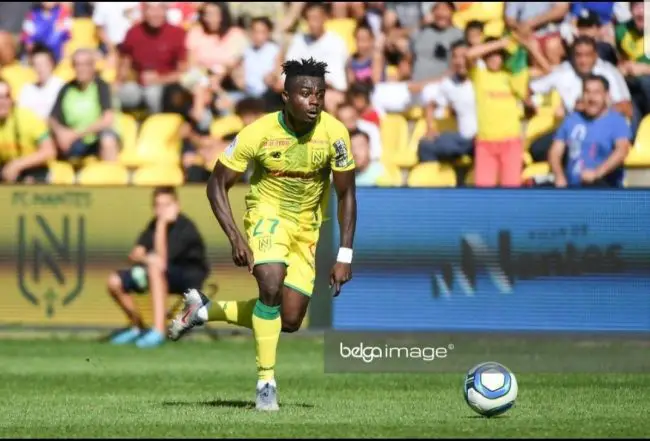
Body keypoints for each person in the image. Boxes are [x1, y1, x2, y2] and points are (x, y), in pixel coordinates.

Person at [168, 58, 357, 411]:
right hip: (267, 216)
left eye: (319, 94)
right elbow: (216, 185)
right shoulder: (257, 132)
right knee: (270, 283)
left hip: (307, 228)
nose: (314, 100)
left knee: (289, 319)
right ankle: (266, 383)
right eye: (305, 93)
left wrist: (344, 254)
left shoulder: (335, 134)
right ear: (286, 96)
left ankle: (205, 311)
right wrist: (236, 237)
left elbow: (347, 194)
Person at [107, 186, 209, 348]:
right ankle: (137, 327)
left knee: (155, 268)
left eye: (166, 205)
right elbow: (135, 254)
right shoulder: (152, 225)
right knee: (114, 280)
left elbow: (161, 261)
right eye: (157, 205)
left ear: (176, 205)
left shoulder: (185, 227)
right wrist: (147, 257)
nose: (161, 210)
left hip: (187, 278)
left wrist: (161, 224)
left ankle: (159, 331)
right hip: (159, 274)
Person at [549, 74, 631, 188]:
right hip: (571, 188)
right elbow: (555, 151)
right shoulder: (571, 119)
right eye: (587, 92)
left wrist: (597, 173)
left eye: (597, 92)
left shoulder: (617, 121)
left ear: (607, 95)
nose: (591, 98)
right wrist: (559, 175)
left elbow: (622, 150)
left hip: (603, 187)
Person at [49, 49, 120, 162]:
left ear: (92, 66)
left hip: (95, 138)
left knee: (108, 140)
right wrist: (61, 133)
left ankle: (110, 175)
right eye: (77, 64)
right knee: (47, 141)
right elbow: (53, 118)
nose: (81, 68)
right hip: (73, 140)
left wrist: (76, 134)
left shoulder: (101, 86)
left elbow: (107, 120)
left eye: (86, 64)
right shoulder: (66, 88)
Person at [0, 79, 56, 183]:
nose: (2, 102)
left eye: (6, 96)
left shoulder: (27, 117)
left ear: (11, 99)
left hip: (34, 169)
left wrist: (17, 165)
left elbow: (49, 151)